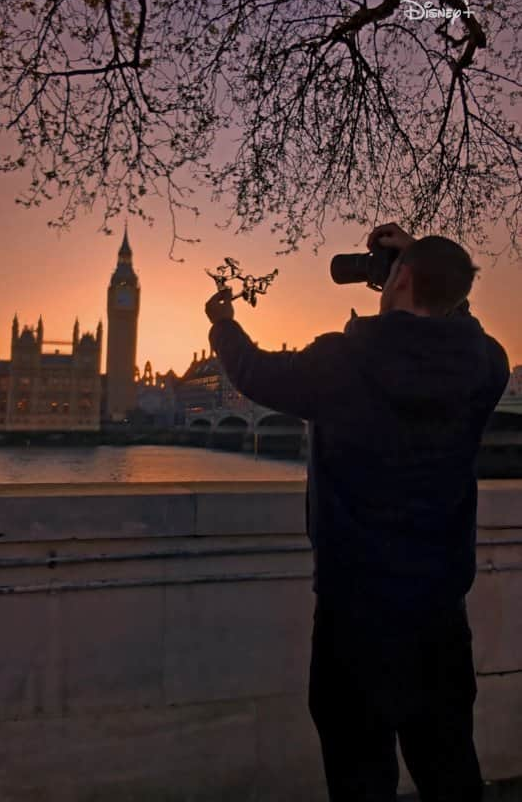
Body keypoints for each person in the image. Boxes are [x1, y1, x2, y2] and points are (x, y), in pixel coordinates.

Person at [204, 223, 511, 802]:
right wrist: (425, 266)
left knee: (359, 772)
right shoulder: (485, 364)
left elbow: (256, 374)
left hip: (355, 613)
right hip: (440, 614)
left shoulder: (343, 359)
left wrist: (223, 324)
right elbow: (460, 321)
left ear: (399, 279)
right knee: (449, 767)